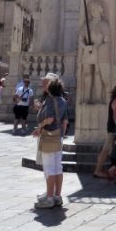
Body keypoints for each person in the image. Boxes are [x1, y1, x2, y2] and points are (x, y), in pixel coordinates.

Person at [34, 77, 69, 208]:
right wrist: (61, 135)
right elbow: (65, 121)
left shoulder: (50, 100)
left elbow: (49, 119)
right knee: (57, 167)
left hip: (48, 136)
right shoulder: (63, 101)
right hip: (58, 136)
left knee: (49, 168)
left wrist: (39, 127)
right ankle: (57, 196)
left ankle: (49, 198)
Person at [94, 82, 116, 179]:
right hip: (113, 129)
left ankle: (112, 169)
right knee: (106, 150)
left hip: (113, 128)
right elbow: (115, 117)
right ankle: (98, 171)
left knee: (110, 150)